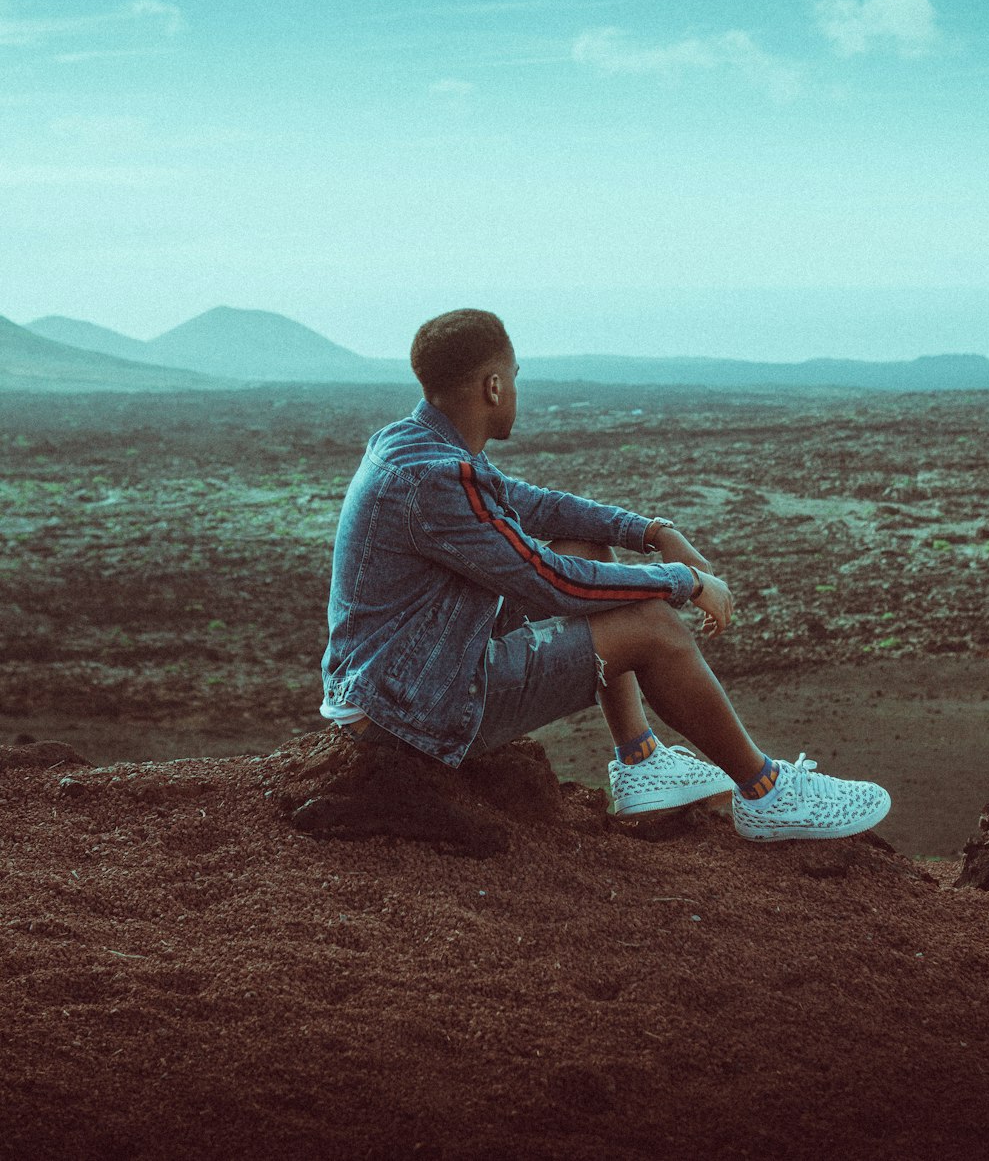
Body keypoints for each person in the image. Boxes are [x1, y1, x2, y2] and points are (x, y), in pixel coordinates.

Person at [320, 309, 891, 841]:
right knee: (654, 626)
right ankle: (768, 795)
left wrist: (647, 529)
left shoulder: (413, 442)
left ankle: (641, 763)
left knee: (583, 544)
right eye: (513, 377)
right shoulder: (439, 476)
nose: (516, 389)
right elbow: (551, 582)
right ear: (493, 386)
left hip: (404, 674)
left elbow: (536, 508)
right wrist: (683, 582)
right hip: (414, 704)